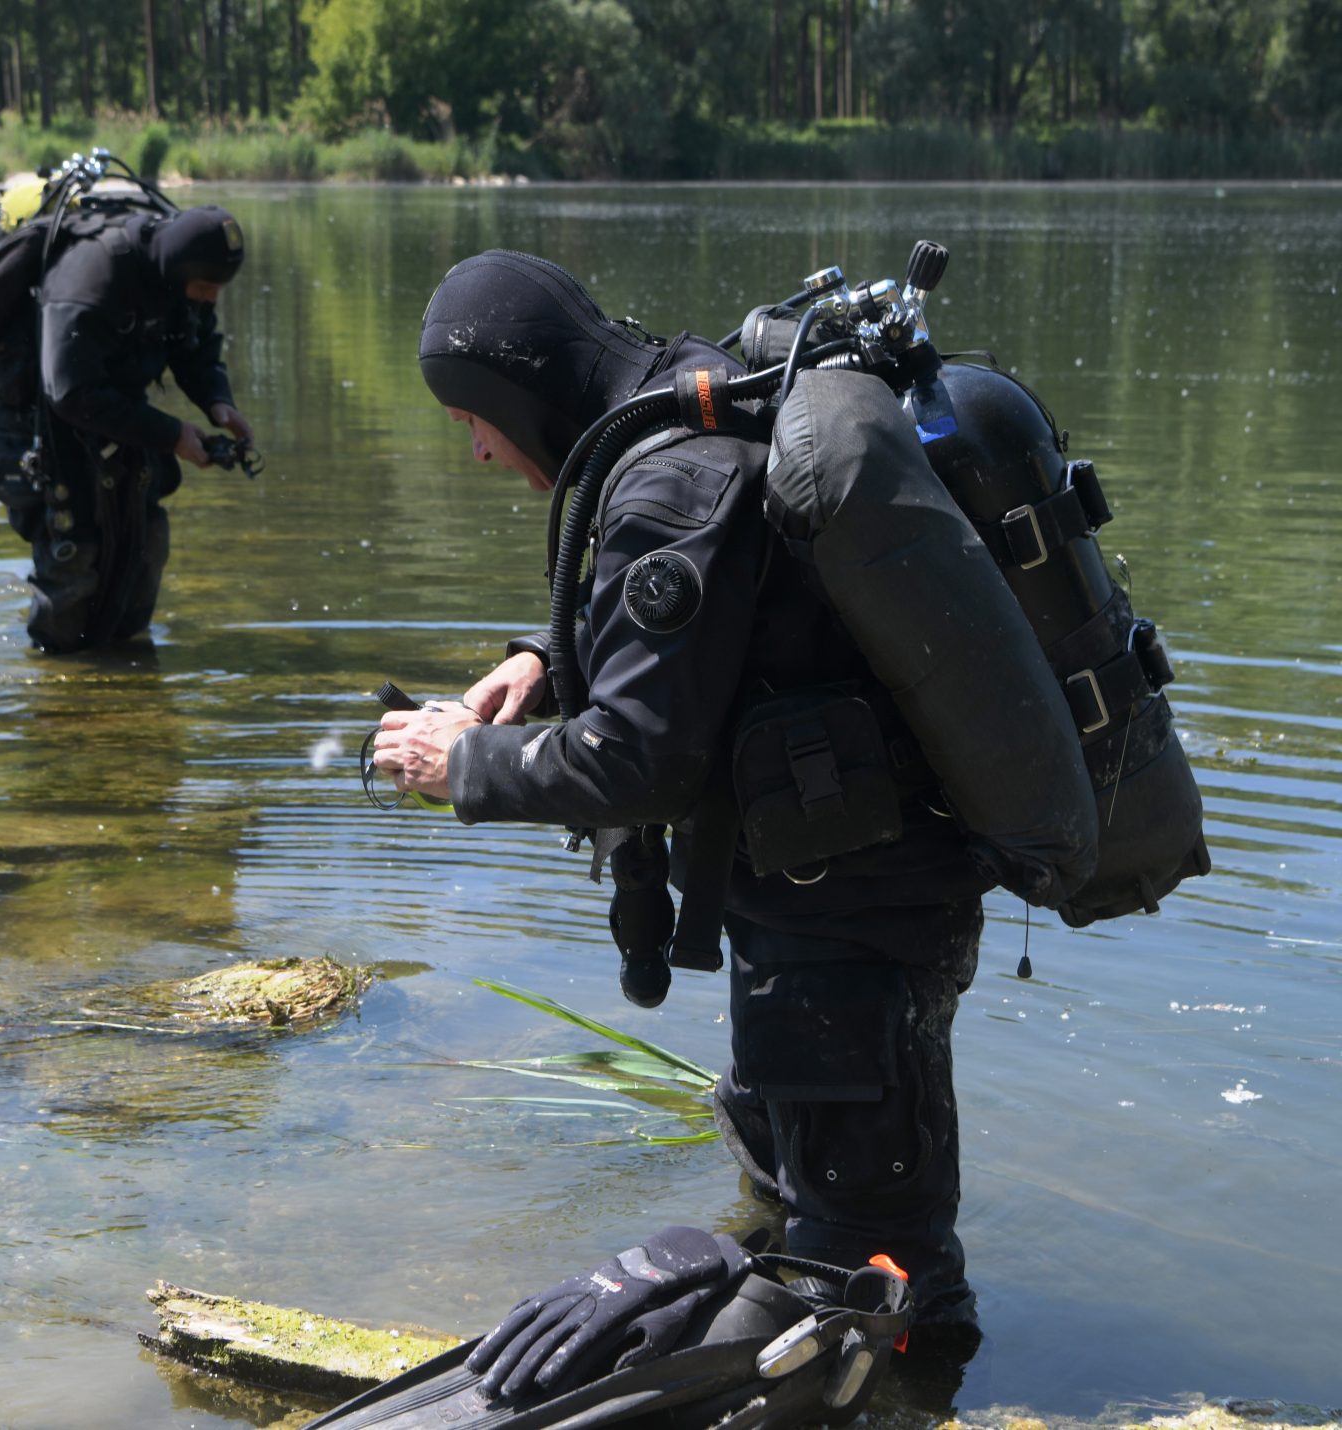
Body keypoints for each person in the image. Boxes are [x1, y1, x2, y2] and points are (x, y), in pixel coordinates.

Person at [369, 249, 987, 1343]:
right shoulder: (682, 392)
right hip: (830, 888)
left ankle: (913, 1390)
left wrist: (457, 763)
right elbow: (725, 618)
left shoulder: (665, 477)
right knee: (782, 1186)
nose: (471, 446)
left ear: (519, 394)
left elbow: (638, 760)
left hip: (850, 921)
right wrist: (545, 661)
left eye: (471, 416)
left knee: (881, 1277)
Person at [0, 203, 254, 653]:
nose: (212, 298)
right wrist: (172, 435)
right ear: (180, 268)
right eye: (206, 287)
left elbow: (196, 344)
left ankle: (125, 671)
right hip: (44, 423)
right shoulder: (93, 277)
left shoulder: (179, 284)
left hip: (117, 417)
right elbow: (69, 391)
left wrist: (218, 402)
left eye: (218, 289)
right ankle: (58, 676)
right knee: (75, 554)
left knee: (146, 543)